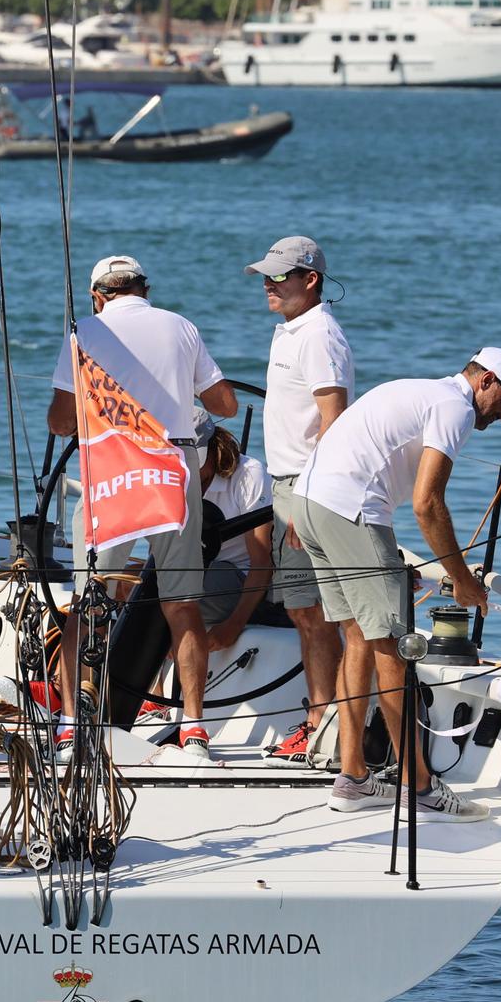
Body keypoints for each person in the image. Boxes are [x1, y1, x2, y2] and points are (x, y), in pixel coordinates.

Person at [292, 348, 501, 821]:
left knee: (359, 638)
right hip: (352, 510)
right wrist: (463, 581)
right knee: (393, 648)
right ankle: (417, 784)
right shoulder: (456, 407)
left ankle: (353, 778)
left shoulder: (419, 390)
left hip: (309, 503)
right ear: (486, 380)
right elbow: (427, 504)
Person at [45, 255, 237, 758]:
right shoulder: (180, 326)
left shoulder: (84, 330)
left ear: (98, 295)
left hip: (113, 470)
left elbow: (62, 422)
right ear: (143, 289)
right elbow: (224, 406)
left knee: (90, 602)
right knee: (182, 603)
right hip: (172, 471)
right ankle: (193, 728)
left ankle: (70, 726)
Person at [245, 235, 355, 759]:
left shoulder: (319, 335)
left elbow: (334, 423)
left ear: (310, 280)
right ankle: (318, 721)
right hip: (284, 483)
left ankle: (323, 724)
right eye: (266, 275)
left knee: (319, 611)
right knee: (304, 611)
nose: (268, 283)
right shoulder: (290, 329)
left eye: (279, 276)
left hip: (307, 488)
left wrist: (307, 503)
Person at [197, 417, 274, 645]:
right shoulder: (170, 475)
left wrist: (232, 627)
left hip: (237, 576)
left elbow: (262, 562)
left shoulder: (250, 474)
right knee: (124, 581)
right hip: (194, 573)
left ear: (213, 448)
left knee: (172, 591)